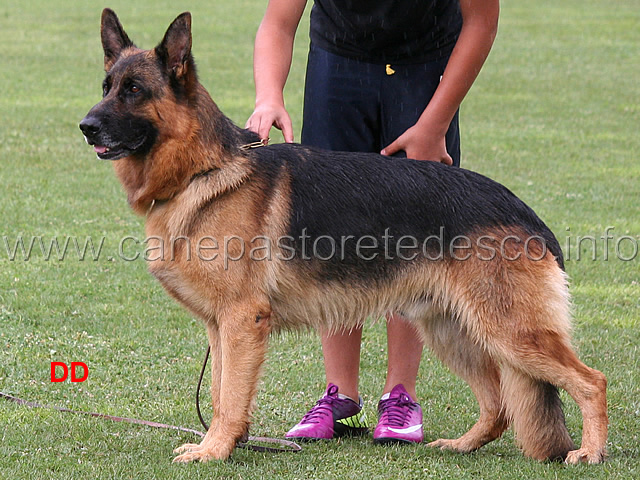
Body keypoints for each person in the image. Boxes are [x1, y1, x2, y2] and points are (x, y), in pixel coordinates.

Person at [246, 0, 499, 444]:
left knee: (418, 233)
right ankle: (338, 393)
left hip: (424, 69)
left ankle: (400, 395)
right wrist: (269, 96)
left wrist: (435, 123)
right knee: (330, 232)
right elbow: (278, 22)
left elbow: (482, 23)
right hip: (337, 67)